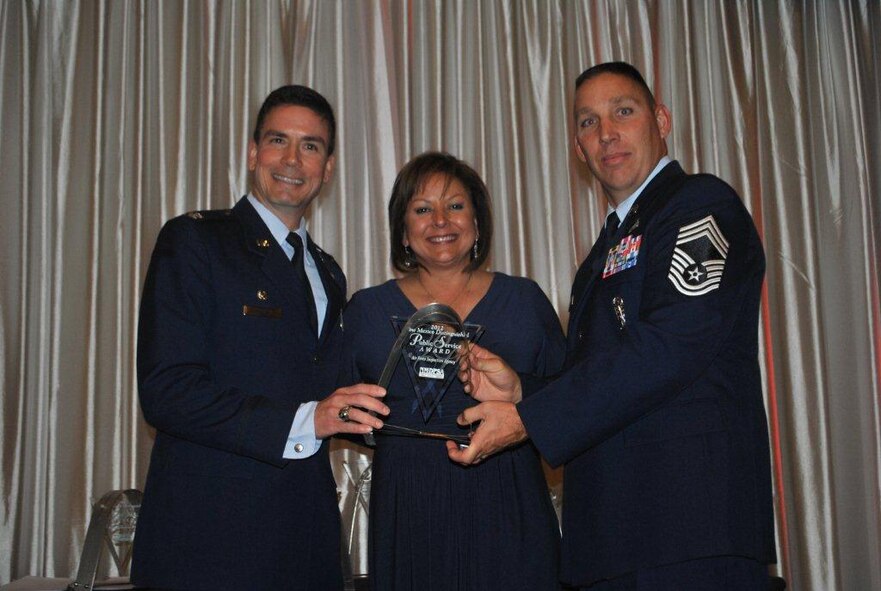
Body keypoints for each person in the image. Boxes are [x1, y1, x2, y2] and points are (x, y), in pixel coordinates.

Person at [448, 62, 776, 590]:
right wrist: (522, 391)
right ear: (579, 150)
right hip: (613, 537)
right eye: (588, 122)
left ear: (661, 120)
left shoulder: (699, 204)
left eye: (623, 111)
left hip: (688, 528)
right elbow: (603, 371)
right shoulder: (602, 254)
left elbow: (668, 348)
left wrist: (530, 418)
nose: (606, 133)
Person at [131, 85, 389, 591]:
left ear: (328, 168)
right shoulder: (196, 240)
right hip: (209, 542)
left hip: (305, 540)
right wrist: (308, 419)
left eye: (310, 146)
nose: (292, 159)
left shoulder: (328, 272)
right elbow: (167, 391)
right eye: (278, 140)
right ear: (253, 153)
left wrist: (434, 406)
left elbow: (330, 395)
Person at [343, 151, 565, 590]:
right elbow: (338, 409)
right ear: (403, 232)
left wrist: (519, 396)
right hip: (409, 504)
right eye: (422, 209)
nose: (441, 221)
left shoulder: (525, 302)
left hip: (509, 497)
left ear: (477, 223)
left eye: (456, 205)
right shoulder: (366, 311)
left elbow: (571, 398)